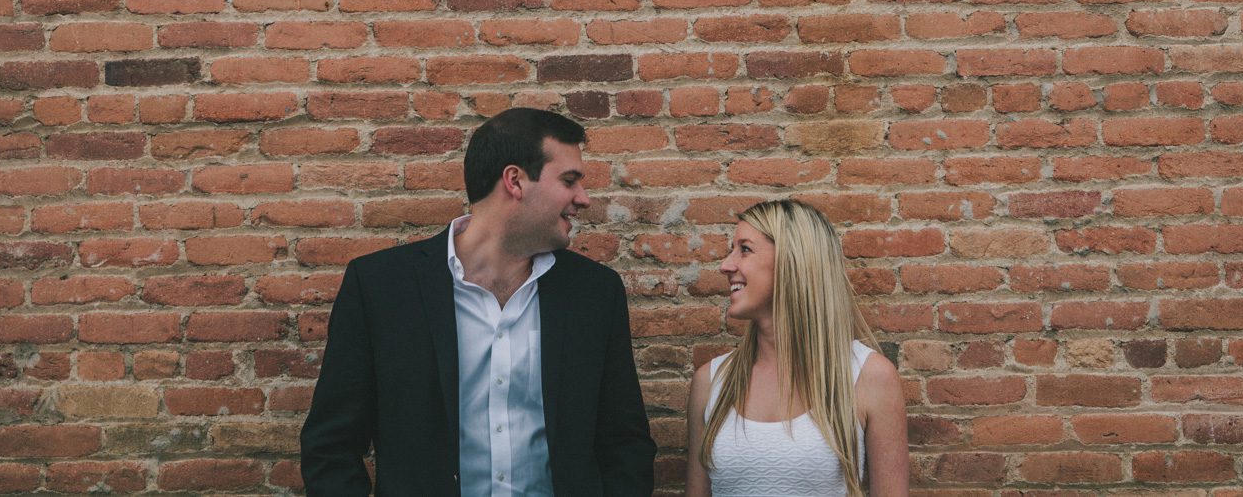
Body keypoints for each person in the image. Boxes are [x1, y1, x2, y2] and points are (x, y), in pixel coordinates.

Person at [300, 107, 656, 497]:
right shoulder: (382, 287)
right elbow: (331, 447)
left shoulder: (594, 293)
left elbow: (625, 444)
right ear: (515, 180)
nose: (583, 199)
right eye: (569, 180)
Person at [684, 199, 909, 497]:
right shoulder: (712, 381)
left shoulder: (868, 376)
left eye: (745, 249)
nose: (726, 265)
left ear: (792, 261)